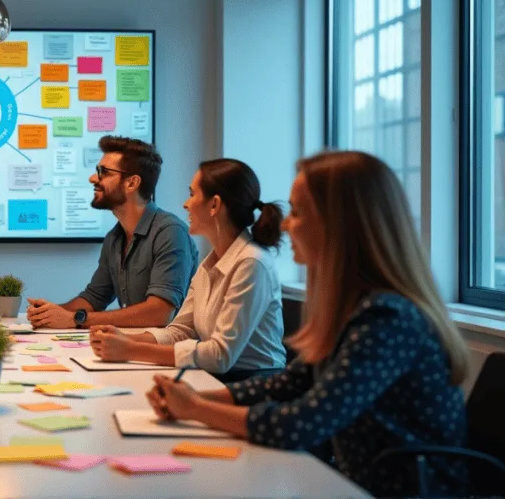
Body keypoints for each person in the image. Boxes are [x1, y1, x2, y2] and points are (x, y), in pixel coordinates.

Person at [146, 151, 470, 497]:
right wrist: (195, 397)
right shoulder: (355, 306)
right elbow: (289, 384)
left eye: (298, 213)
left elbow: (301, 423)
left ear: (339, 223)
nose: (284, 224)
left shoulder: (387, 319)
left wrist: (196, 409)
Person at [90, 159, 287, 383]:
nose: (186, 204)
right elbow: (180, 331)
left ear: (214, 205)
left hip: (253, 385)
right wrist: (123, 339)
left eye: (192, 194)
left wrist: (130, 350)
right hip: (215, 377)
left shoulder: (252, 263)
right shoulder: (209, 264)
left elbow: (220, 355)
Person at [26, 136, 198, 329]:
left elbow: (159, 313)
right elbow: (95, 298)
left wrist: (76, 319)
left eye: (103, 172)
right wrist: (50, 314)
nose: (93, 178)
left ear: (132, 183)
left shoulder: (170, 233)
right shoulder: (114, 238)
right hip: (132, 348)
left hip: (166, 354)